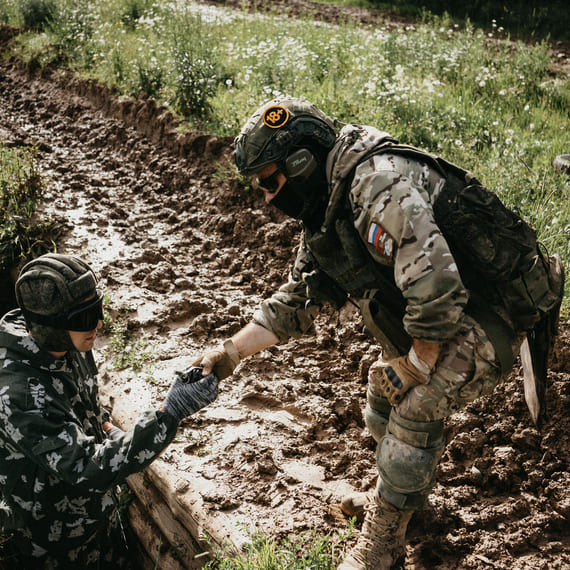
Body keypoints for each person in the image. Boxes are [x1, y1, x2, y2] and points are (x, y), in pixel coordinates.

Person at [192, 97, 564, 569]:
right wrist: (229, 354)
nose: (266, 197)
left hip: (495, 310)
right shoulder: (328, 203)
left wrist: (416, 363)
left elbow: (438, 288)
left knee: (416, 399)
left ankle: (381, 544)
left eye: (270, 182)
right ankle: (405, 505)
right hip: (458, 305)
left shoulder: (378, 185)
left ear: (301, 163)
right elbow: (298, 298)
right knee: (381, 388)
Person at [0, 253, 218, 569]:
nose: (99, 323)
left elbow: (88, 406)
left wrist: (107, 427)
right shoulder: (18, 395)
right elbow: (89, 467)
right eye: (85, 317)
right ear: (52, 326)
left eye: (97, 309)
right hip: (54, 546)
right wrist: (169, 413)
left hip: (98, 520)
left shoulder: (67, 345)